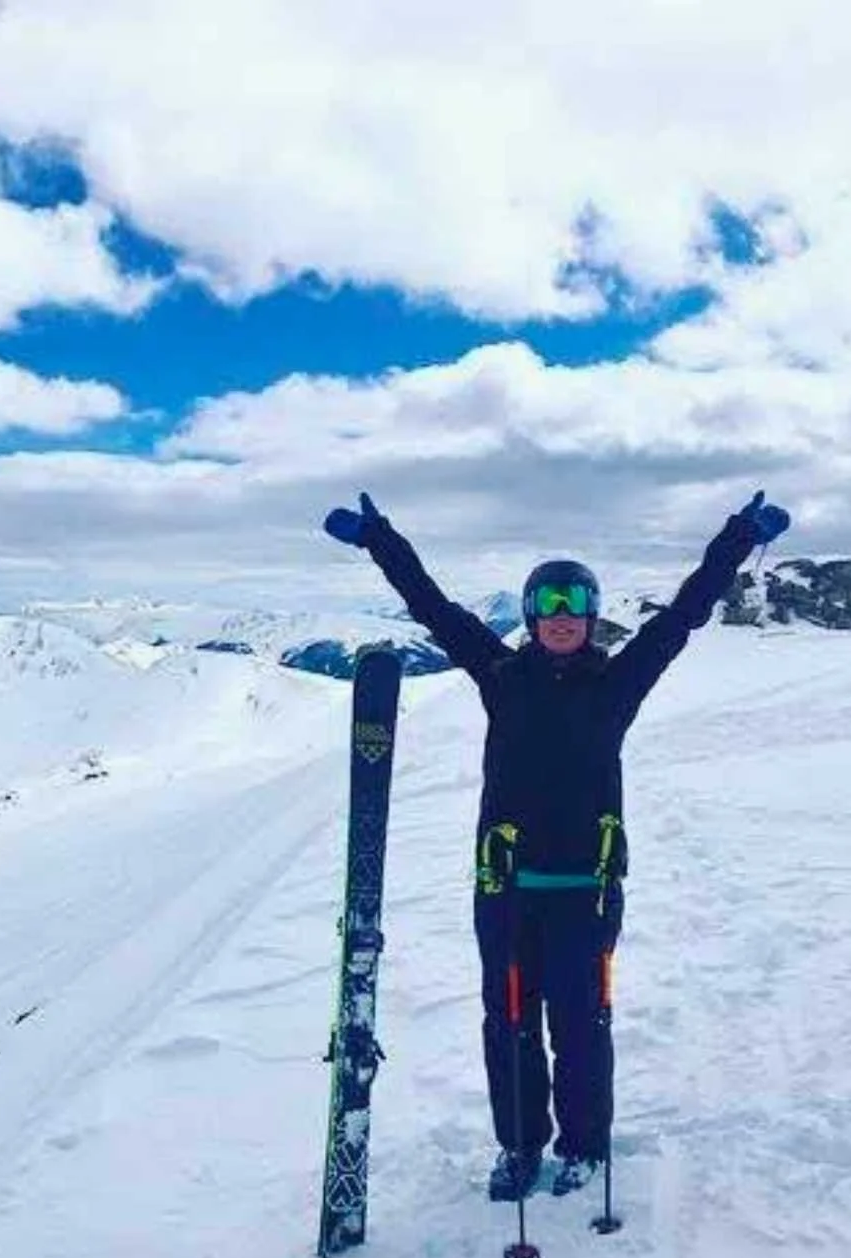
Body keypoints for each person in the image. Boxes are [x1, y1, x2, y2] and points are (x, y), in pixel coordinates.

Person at [326, 490, 788, 1201]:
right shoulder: (500, 676)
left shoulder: (618, 682)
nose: (564, 616)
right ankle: (519, 1148)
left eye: (576, 604)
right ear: (534, 615)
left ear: (592, 615)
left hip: (585, 893)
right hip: (506, 892)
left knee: (581, 1028)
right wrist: (379, 539)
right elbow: (435, 609)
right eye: (550, 604)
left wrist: (738, 536)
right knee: (508, 1025)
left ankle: (583, 1147)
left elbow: (685, 613)